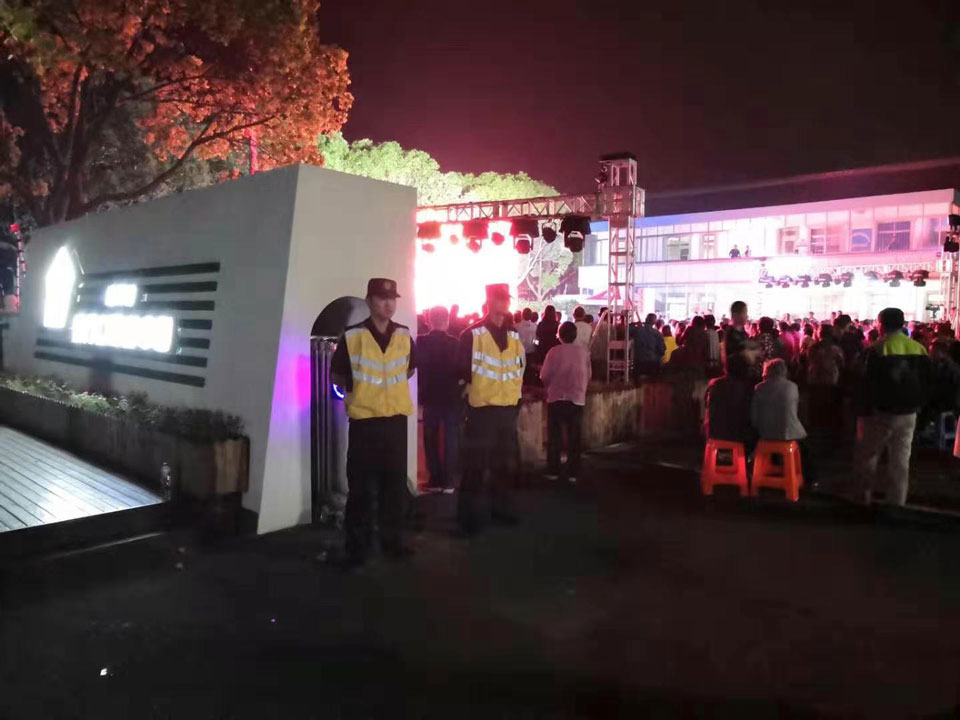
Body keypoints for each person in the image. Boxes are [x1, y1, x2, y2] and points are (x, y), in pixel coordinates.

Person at [331, 278, 416, 567]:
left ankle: (393, 541)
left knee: (395, 486)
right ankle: (358, 546)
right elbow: (337, 376)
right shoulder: (353, 336)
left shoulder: (403, 335)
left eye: (392, 298)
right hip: (365, 422)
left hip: (395, 421)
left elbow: (409, 369)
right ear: (369, 301)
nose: (388, 304)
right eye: (381, 298)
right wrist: (362, 393)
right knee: (361, 488)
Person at [457, 283, 525, 534]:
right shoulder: (472, 335)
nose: (505, 303)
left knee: (503, 465)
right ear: (489, 301)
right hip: (482, 411)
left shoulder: (514, 335)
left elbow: (519, 368)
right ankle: (468, 518)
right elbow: (461, 373)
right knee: (474, 467)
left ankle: (501, 509)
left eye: (506, 298)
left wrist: (516, 401)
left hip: (506, 410)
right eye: (500, 298)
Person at [855, 308, 930, 507]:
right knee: (901, 460)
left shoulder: (877, 348)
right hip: (909, 413)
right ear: (902, 324)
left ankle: (863, 498)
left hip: (881, 413)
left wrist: (863, 411)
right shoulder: (919, 348)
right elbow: (927, 382)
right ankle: (897, 503)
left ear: (881, 324)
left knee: (869, 456)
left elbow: (866, 383)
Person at [417, 305, 462, 493]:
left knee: (430, 438)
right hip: (451, 396)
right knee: (451, 439)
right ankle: (449, 481)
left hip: (429, 395)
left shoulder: (420, 342)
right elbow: (461, 370)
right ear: (447, 321)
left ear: (429, 320)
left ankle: (435, 479)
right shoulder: (456, 343)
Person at [540, 322, 590, 483]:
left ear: (559, 335)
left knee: (555, 436)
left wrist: (550, 386)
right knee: (574, 437)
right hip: (577, 398)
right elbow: (588, 375)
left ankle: (553, 470)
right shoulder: (584, 352)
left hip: (556, 397)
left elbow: (544, 376)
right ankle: (573, 472)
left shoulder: (553, 352)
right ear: (575, 335)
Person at [751, 358, 815, 484]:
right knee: (805, 448)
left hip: (765, 433)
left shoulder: (758, 388)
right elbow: (795, 411)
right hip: (789, 433)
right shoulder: (792, 387)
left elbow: (754, 416)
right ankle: (810, 479)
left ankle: (773, 474)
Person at [704, 351, 756, 448]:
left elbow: (707, 408)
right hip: (737, 437)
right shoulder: (746, 387)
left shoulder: (714, 384)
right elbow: (749, 414)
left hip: (714, 435)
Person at [632, 312, 665, 378]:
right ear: (654, 322)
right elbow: (662, 351)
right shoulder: (658, 334)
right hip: (653, 363)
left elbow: (627, 329)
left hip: (639, 362)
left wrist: (634, 324)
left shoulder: (637, 330)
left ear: (646, 319)